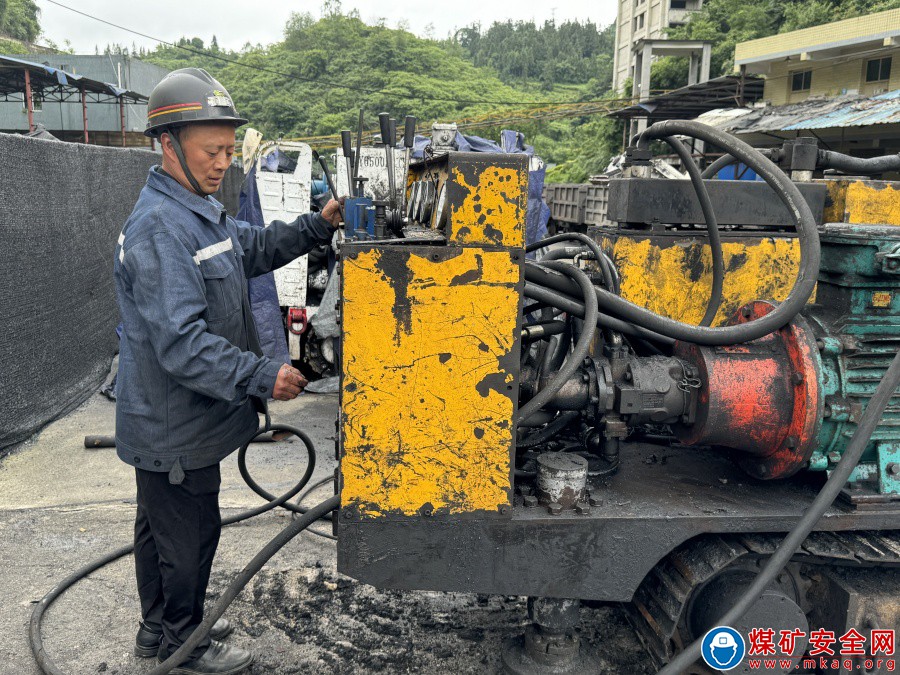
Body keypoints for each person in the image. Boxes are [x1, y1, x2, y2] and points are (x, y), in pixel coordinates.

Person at [113, 68, 341, 675]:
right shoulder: (161, 228)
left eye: (228, 150)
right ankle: (185, 646)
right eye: (211, 151)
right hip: (173, 421)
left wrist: (319, 224)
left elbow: (254, 248)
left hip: (178, 418)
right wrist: (261, 375)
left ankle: (156, 631)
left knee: (158, 530)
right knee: (188, 536)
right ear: (169, 145)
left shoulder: (198, 212)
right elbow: (182, 345)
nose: (222, 162)